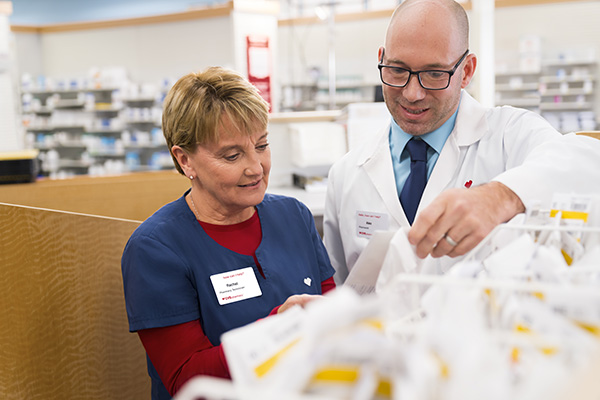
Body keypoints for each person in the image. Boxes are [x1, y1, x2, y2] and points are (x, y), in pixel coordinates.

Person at [323, 0, 600, 284]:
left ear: (466, 71)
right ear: (382, 58)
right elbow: (339, 292)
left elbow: (589, 159)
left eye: (434, 74)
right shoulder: (345, 175)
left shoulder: (508, 136)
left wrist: (500, 197)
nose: (412, 93)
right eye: (397, 70)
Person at [121, 66, 336, 399]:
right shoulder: (156, 249)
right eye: (232, 155)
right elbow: (186, 380)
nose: (255, 167)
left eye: (262, 146)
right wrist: (281, 328)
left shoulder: (293, 217)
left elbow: (330, 310)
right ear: (185, 160)